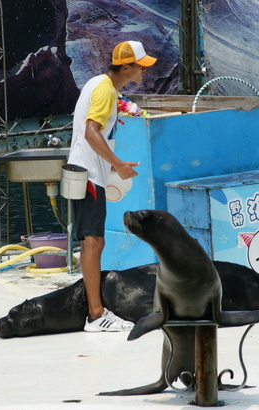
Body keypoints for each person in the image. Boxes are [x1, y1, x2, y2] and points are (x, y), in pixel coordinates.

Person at [67, 40, 157, 332]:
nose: (144, 70)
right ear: (126, 66)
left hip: (88, 173)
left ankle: (95, 309)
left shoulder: (100, 84)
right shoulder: (105, 89)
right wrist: (117, 164)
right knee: (93, 243)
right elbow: (91, 132)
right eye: (140, 65)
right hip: (89, 175)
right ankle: (95, 315)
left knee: (93, 242)